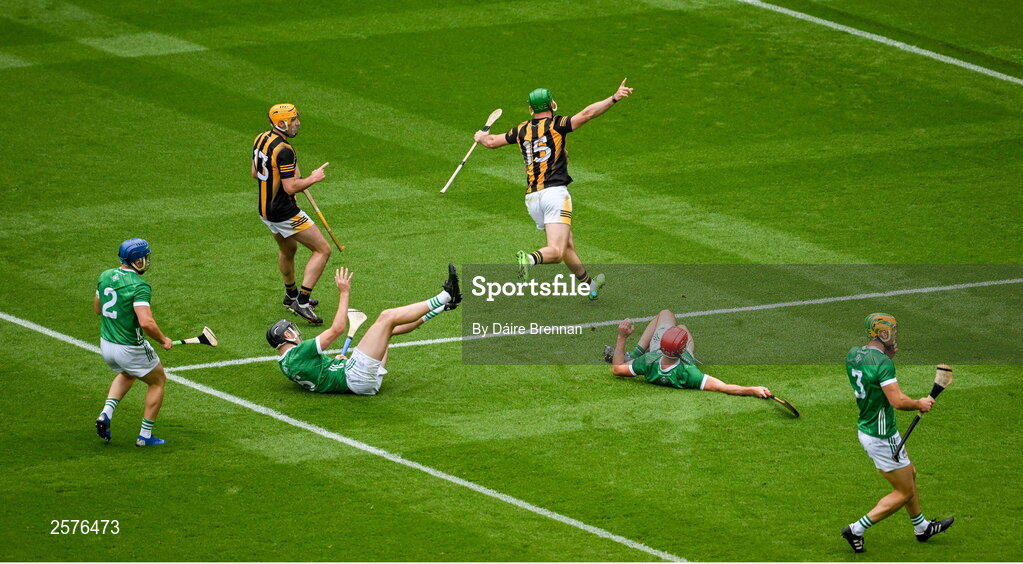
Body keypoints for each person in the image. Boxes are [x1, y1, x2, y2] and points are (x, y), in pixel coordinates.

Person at [473, 80, 634, 298]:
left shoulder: (521, 130)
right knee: (556, 252)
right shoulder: (557, 124)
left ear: (531, 109)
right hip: (555, 194)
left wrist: (481, 136)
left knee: (567, 244)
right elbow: (587, 114)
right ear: (552, 104)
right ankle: (528, 259)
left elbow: (492, 142)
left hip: (532, 199)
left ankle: (588, 285)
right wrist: (614, 98)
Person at [841, 313, 953, 553]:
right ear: (883, 333)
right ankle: (856, 529)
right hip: (882, 436)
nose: (895, 335)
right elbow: (898, 401)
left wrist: (886, 355)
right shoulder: (883, 363)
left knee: (910, 473)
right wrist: (920, 403)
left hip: (868, 427)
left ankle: (921, 527)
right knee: (904, 492)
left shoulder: (854, 354)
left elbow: (871, 378)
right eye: (892, 331)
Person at [267, 265, 462, 396]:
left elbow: (319, 374)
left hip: (356, 380)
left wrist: (336, 363)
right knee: (387, 316)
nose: (297, 334)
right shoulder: (298, 353)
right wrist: (344, 292)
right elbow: (338, 329)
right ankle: (445, 295)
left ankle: (442, 307)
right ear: (286, 336)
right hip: (355, 376)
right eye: (292, 331)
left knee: (389, 330)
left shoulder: (286, 364)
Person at [252, 103, 332, 324]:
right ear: (282, 123)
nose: (297, 123)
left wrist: (287, 173)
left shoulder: (261, 138)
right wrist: (313, 178)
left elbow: (254, 172)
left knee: (288, 248)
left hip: (264, 210)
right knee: (323, 250)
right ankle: (302, 302)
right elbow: (290, 187)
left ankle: (290, 295)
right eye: (293, 120)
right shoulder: (285, 150)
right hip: (284, 212)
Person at [94, 238, 173, 447]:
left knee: (128, 372)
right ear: (137, 261)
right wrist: (163, 340)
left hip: (106, 344)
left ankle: (105, 414)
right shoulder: (139, 286)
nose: (147, 261)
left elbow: (97, 308)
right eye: (145, 257)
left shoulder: (105, 276)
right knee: (158, 381)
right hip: (129, 347)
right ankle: (145, 436)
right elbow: (146, 322)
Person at [608, 309, 771, 397]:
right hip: (682, 358)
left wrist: (622, 337)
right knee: (683, 328)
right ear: (682, 350)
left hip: (654, 355)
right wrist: (752, 389)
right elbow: (724, 387)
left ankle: (634, 353)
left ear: (661, 345)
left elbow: (617, 369)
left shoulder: (649, 360)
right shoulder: (689, 372)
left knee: (665, 313)